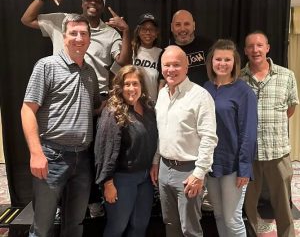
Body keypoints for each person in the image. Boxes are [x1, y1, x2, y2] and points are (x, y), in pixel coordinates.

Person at [20, 14, 101, 237]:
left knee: (74, 226)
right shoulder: (46, 66)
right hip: (51, 157)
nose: (78, 38)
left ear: (89, 39)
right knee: (42, 228)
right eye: (73, 33)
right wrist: (36, 153)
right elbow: (27, 110)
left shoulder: (90, 73)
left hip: (83, 160)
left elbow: (95, 108)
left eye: (83, 34)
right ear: (64, 36)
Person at [151, 45, 218, 237]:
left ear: (186, 68)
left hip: (189, 171)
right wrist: (156, 161)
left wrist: (199, 173)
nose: (171, 69)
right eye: (167, 65)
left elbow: (209, 138)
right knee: (170, 223)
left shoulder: (200, 96)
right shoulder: (163, 94)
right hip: (164, 169)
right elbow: (160, 132)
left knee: (190, 229)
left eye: (176, 65)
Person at [21, 0, 132, 95]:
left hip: (96, 95)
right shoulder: (63, 21)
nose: (92, 3)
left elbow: (123, 62)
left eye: (98, 1)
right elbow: (27, 20)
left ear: (103, 7)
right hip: (63, 91)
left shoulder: (110, 33)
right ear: (82, 4)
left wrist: (126, 30)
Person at [241, 31, 299, 237]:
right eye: (250, 46)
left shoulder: (286, 75)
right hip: (249, 154)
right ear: (245, 50)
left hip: (278, 151)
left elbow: (290, 109)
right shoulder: (239, 78)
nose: (255, 50)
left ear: (267, 48)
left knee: (283, 203)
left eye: (259, 45)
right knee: (249, 203)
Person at [94, 65, 158, 237]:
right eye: (127, 84)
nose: (131, 88)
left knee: (140, 226)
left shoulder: (149, 108)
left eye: (135, 84)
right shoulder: (112, 112)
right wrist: (107, 182)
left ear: (142, 86)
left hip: (145, 179)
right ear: (120, 87)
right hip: (121, 180)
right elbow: (103, 151)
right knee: (117, 227)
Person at [203, 39, 257, 237]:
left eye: (227, 59)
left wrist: (245, 168)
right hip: (211, 164)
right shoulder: (206, 88)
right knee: (218, 215)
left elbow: (248, 134)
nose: (222, 63)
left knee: (232, 219)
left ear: (235, 62)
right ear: (211, 61)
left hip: (233, 166)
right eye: (218, 59)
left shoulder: (244, 92)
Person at [169, 9, 213, 87]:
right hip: (178, 98)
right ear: (172, 27)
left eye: (186, 24)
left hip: (205, 97)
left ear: (194, 26)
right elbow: (162, 82)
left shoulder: (209, 46)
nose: (182, 29)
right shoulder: (167, 52)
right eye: (178, 24)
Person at [132, 13, 162, 101]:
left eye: (152, 29)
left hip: (152, 105)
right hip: (133, 103)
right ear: (138, 31)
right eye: (144, 29)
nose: (148, 32)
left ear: (157, 33)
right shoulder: (131, 51)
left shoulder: (161, 53)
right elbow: (115, 74)